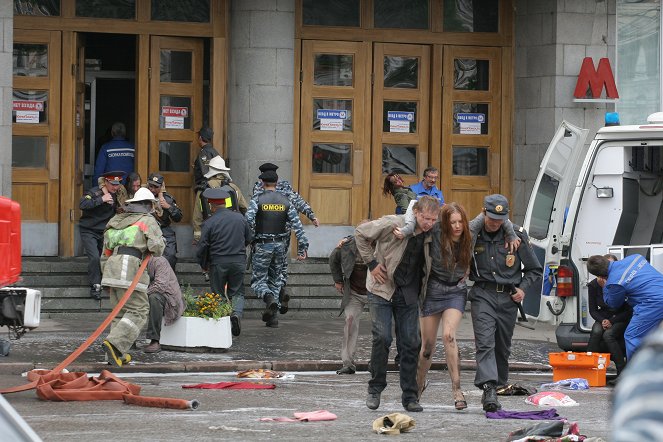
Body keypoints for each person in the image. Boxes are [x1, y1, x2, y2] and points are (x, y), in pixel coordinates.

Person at [355, 195, 440, 413]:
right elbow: (360, 234)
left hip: (409, 293)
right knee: (382, 338)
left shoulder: (432, 234)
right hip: (381, 289)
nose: (428, 223)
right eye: (425, 218)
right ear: (417, 213)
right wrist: (372, 263)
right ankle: (374, 389)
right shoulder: (394, 223)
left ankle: (410, 396)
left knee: (411, 343)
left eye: (433, 219)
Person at [469, 194, 542, 412]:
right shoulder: (473, 234)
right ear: (484, 213)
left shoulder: (517, 235)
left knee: (502, 347)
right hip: (483, 294)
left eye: (500, 219)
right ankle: (489, 389)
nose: (495, 223)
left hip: (508, 298)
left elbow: (534, 269)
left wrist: (522, 289)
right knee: (485, 343)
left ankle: (498, 385)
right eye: (491, 218)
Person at [100, 187, 165, 366]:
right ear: (147, 205)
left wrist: (105, 276)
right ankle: (115, 344)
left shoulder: (115, 220)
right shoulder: (147, 220)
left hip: (111, 267)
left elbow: (105, 251)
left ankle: (115, 355)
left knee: (119, 312)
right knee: (139, 310)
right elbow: (157, 248)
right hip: (130, 268)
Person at [252, 162, 319, 314]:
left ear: (262, 177)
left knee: (265, 272)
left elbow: (253, 213)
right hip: (283, 237)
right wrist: (312, 215)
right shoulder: (286, 188)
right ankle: (281, 292)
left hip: (264, 237)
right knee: (279, 269)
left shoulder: (259, 188)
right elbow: (299, 201)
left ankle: (273, 303)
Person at [246, 170, 308, 328]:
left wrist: (249, 239)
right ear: (277, 182)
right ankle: (273, 318)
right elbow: (298, 227)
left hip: (262, 244)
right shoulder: (286, 201)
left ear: (262, 183)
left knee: (258, 281)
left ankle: (269, 299)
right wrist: (302, 248)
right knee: (276, 279)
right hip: (281, 245)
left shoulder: (257, 199)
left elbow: (247, 222)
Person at [197, 188, 252, 337]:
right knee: (238, 291)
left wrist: (203, 263)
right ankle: (236, 314)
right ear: (225, 203)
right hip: (238, 261)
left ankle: (223, 324)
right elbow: (248, 238)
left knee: (218, 293)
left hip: (218, 262)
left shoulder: (209, 222)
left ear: (211, 205)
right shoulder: (240, 218)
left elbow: (203, 246)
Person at [586, 253, 663, 360]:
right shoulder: (635, 257)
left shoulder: (613, 282)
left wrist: (604, 287)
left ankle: (637, 374)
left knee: (632, 336)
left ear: (600, 276)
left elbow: (613, 304)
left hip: (653, 303)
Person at [329, 221, 369, 375]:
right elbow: (334, 258)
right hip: (354, 292)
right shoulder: (348, 245)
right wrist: (338, 280)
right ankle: (347, 363)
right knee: (349, 322)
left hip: (376, 292)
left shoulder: (380, 244)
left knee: (381, 329)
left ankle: (378, 361)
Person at [79, 171, 125, 300]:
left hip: (105, 231)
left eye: (118, 184)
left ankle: (107, 282)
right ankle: (95, 286)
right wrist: (101, 199)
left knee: (105, 257)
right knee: (94, 257)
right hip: (89, 230)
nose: (115, 187)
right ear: (105, 182)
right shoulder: (95, 192)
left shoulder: (118, 195)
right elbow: (82, 204)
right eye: (112, 184)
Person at [586, 254, 632, 375]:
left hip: (619, 316)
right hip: (604, 316)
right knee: (596, 331)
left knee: (608, 335)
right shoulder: (593, 285)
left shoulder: (619, 281)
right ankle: (589, 367)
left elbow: (627, 309)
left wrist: (612, 321)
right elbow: (593, 310)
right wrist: (603, 320)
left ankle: (621, 371)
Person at [192, 156, 248, 243]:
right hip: (232, 231)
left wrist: (197, 237)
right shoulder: (233, 188)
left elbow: (197, 215)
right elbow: (245, 208)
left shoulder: (203, 189)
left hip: (211, 230)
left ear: (210, 170)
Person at [143, 255, 185, 353]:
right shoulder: (136, 259)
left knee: (154, 298)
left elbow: (160, 286)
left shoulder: (159, 260)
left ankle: (154, 340)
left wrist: (141, 294)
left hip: (169, 298)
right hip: (148, 292)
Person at [147, 173, 183, 271]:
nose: (153, 189)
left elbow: (178, 218)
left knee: (170, 256)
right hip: (147, 230)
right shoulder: (143, 197)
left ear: (161, 187)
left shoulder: (167, 199)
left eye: (156, 187)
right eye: (151, 186)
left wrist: (169, 207)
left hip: (163, 230)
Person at [191, 126, 219, 244]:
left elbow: (206, 172)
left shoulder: (204, 153)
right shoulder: (215, 152)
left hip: (205, 188)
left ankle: (198, 240)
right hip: (216, 188)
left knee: (198, 216)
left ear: (201, 138)